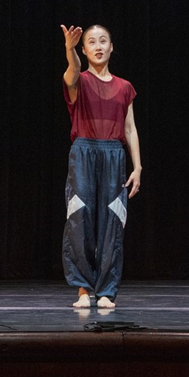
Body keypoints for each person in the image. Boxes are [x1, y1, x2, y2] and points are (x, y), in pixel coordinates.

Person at [60, 24, 141, 309]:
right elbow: (72, 72)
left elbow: (130, 129)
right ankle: (83, 288)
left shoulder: (124, 87)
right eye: (90, 42)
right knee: (80, 217)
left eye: (102, 40)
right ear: (83, 49)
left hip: (114, 154)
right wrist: (69, 49)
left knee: (112, 222)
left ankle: (106, 289)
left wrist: (138, 167)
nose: (97, 45)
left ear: (111, 47)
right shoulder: (78, 79)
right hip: (84, 151)